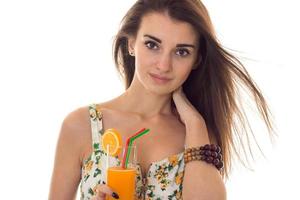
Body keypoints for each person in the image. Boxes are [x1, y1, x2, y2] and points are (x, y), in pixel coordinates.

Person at [49, 0, 274, 199]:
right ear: (131, 44)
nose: (164, 65)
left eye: (182, 52)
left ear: (197, 59)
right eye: (152, 45)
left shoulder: (198, 136)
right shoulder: (82, 126)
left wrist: (195, 123)